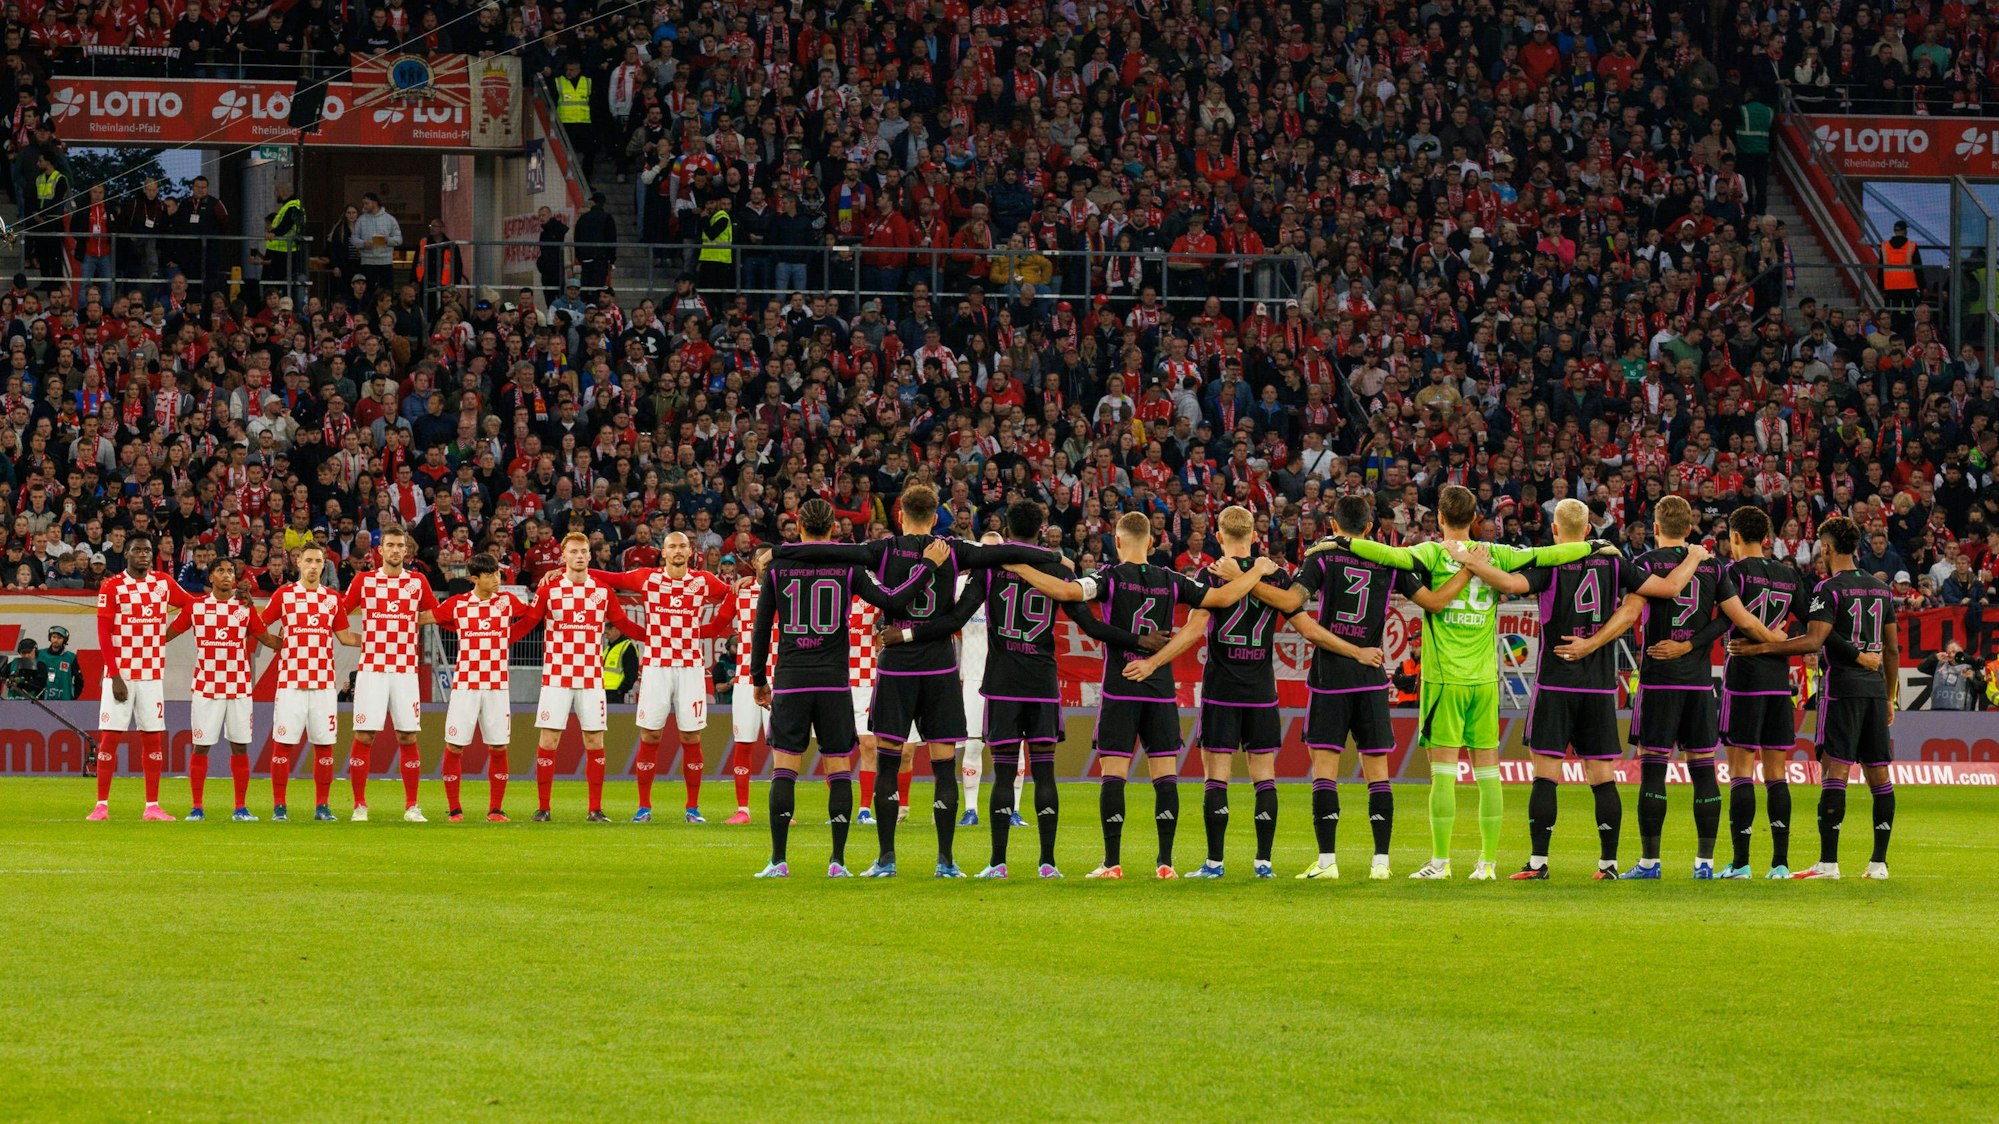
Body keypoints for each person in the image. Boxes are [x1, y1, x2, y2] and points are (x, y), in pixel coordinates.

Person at [772, 483, 1059, 876]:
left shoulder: (883, 549)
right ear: (935, 516)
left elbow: (828, 551)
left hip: (896, 667)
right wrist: (1053, 555)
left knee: (888, 764)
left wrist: (779, 552)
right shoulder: (954, 549)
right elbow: (1006, 552)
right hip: (940, 667)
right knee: (943, 766)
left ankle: (886, 859)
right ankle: (946, 861)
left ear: (900, 515)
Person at [881, 503, 1161, 878]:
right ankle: (1048, 863)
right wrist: (1139, 641)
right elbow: (1092, 627)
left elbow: (955, 618)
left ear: (1007, 530)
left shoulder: (991, 569)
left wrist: (907, 634)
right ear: (1042, 529)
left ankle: (998, 863)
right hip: (1042, 683)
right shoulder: (1058, 571)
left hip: (1003, 684)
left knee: (1003, 773)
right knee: (1044, 774)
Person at [1339, 485, 1600, 880]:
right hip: (1484, 681)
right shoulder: (1494, 553)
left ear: (1440, 518)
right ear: (1476, 519)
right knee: (1488, 773)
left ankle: (1441, 862)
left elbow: (1388, 555)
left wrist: (1340, 541)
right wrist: (1594, 546)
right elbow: (1549, 554)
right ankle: (1487, 863)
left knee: (1443, 773)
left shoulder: (1432, 552)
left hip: (1445, 679)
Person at [1004, 510, 1274, 880]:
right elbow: (1224, 597)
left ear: (1117, 541)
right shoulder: (1172, 579)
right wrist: (1256, 572)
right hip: (1160, 690)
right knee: (1165, 774)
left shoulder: (1109, 577)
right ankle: (1166, 863)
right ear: (1151, 542)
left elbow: (1066, 592)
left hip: (1121, 687)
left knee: (1114, 772)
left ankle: (1112, 862)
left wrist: (1019, 566)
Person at [1459, 499, 1705, 879]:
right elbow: (1671, 587)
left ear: (1555, 530)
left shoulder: (1550, 561)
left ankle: (1538, 863)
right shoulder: (1613, 561)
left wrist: (1471, 561)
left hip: (1555, 682)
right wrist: (1695, 556)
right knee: (1602, 777)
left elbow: (1508, 583)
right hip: (1599, 687)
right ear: (1588, 530)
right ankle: (1608, 865)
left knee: (1545, 774)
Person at [1233, 494, 1466, 881]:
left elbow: (1290, 601)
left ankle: (1327, 862)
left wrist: (1245, 581)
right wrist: (1470, 571)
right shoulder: (1387, 560)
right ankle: (1381, 863)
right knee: (1378, 772)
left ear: (1333, 525)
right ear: (1370, 528)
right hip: (1371, 677)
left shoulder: (1324, 556)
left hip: (1330, 679)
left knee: (1325, 769)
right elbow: (1436, 602)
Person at [1149, 505, 1383, 879]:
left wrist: (1154, 662)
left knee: (1217, 775)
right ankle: (1264, 863)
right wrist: (1357, 651)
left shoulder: (1211, 574)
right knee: (1264, 775)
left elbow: (1193, 631)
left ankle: (1215, 863)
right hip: (1261, 689)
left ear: (1219, 536)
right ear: (1255, 536)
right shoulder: (1276, 576)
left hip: (1221, 689)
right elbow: (1309, 629)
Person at [1574, 495, 1781, 879]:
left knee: (1653, 770)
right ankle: (1704, 864)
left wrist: (1591, 643)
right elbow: (1737, 620)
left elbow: (1630, 614)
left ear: (1655, 528)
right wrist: (1777, 641)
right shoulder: (1712, 566)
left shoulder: (1645, 564)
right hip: (1699, 685)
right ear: (1688, 528)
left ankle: (1650, 863)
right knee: (1703, 770)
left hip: (1658, 682)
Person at [748, 499, 945, 878]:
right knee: (838, 768)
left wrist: (759, 678)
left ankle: (778, 861)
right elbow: (893, 600)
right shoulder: (848, 567)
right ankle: (837, 861)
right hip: (834, 682)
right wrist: (927, 567)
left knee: (784, 768)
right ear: (833, 530)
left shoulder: (778, 568)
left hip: (792, 678)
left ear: (799, 527)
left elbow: (761, 626)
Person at [1727, 516, 1899, 880]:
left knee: (1835, 771)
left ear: (1828, 548)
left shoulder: (1828, 589)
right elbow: (1893, 650)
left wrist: (1761, 647)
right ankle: (1879, 863)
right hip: (1874, 689)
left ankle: (1828, 863)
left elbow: (1813, 640)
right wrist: (1889, 697)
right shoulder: (1882, 589)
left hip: (1842, 689)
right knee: (1879, 774)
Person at [589, 531, 733, 823]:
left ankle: (692, 808)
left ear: (690, 552)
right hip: (656, 667)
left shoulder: (703, 580)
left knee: (690, 735)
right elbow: (611, 578)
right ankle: (644, 807)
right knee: (650, 734)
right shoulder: (648, 578)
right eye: (672, 547)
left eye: (682, 546)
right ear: (663, 552)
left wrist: (712, 629)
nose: (678, 551)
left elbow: (732, 595)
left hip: (691, 668)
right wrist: (570, 571)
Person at [514, 532, 643, 822]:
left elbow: (623, 623)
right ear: (563, 556)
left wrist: (654, 637)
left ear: (590, 555)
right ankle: (543, 808)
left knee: (595, 741)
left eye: (584, 551)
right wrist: (498, 639)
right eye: (573, 552)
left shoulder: (602, 591)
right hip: (557, 677)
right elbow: (528, 622)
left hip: (591, 679)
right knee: (549, 740)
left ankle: (595, 809)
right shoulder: (549, 590)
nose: (580, 556)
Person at [1714, 506, 1814, 877]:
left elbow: (1726, 619)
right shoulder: (1789, 575)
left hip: (1744, 679)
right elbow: (1813, 624)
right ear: (1767, 538)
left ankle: (1741, 863)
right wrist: (1782, 641)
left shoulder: (1733, 573)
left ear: (1735, 537)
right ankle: (1780, 864)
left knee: (1740, 771)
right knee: (1776, 773)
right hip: (1778, 683)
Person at [334, 525, 440, 822]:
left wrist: (409, 621)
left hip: (405, 670)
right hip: (372, 670)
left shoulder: (417, 581)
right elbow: (339, 613)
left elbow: (436, 613)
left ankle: (412, 806)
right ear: (379, 550)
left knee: (407, 735)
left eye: (399, 546)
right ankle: (359, 806)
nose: (395, 550)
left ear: (407, 550)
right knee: (365, 735)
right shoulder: (364, 580)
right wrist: (353, 638)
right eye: (390, 545)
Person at [89, 532, 196, 822]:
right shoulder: (112, 585)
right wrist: (114, 675)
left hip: (151, 675)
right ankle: (101, 805)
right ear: (127, 554)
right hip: (121, 674)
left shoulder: (163, 583)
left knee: (152, 738)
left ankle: (152, 807)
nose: (143, 555)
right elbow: (103, 634)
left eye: (147, 551)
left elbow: (192, 605)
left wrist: (168, 635)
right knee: (110, 738)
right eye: (137, 550)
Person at [164, 558, 278, 822]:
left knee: (240, 746)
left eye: (230, 571)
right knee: (201, 746)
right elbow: (168, 634)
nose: (226, 575)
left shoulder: (245, 608)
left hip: (239, 688)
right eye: (220, 571)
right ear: (211, 578)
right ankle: (197, 808)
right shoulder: (196, 607)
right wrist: (138, 631)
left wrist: (299, 641)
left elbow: (266, 639)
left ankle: (240, 808)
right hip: (206, 688)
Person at [430, 554, 537, 822]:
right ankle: (455, 809)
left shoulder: (507, 601)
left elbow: (534, 615)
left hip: (497, 686)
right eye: (489, 575)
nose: (496, 579)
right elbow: (430, 617)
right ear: (474, 579)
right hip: (465, 685)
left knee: (499, 747)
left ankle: (495, 810)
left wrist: (509, 636)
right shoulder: (457, 604)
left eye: (498, 574)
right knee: (454, 746)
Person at [263, 543, 346, 821]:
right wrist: (278, 644)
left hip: (323, 684)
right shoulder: (284, 595)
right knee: (283, 744)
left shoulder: (332, 599)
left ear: (324, 565)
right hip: (291, 683)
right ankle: (279, 807)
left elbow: (345, 636)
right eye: (308, 560)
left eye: (318, 562)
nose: (313, 566)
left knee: (324, 745)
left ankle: (322, 806)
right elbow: (260, 626)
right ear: (298, 562)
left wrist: (376, 640)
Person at [725, 545, 776, 825]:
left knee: (782, 747)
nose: (766, 563)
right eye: (761, 558)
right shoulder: (741, 593)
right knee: (743, 743)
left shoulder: (790, 592)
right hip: (745, 680)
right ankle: (742, 809)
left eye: (771, 558)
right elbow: (717, 613)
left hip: (779, 678)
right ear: (754, 562)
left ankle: (781, 808)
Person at [260, 182, 304, 301]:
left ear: (283, 192)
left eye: (277, 191)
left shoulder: (293, 206)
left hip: (285, 254)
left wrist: (274, 233)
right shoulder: (289, 206)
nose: (275, 194)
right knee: (273, 287)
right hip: (281, 252)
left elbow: (286, 224)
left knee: (275, 288)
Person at [351, 193, 402, 295]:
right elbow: (354, 239)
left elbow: (399, 239)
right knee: (368, 292)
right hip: (367, 262)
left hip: (385, 262)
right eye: (363, 203)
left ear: (374, 203)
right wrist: (363, 243)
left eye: (366, 203)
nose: (364, 206)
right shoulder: (361, 220)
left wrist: (387, 240)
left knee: (387, 292)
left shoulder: (390, 219)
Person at [574, 192, 617, 290]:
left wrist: (580, 257)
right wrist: (611, 259)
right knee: (598, 289)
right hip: (601, 259)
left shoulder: (583, 218)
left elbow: (577, 239)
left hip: (586, 259)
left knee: (585, 288)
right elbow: (611, 239)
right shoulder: (607, 218)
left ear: (592, 202)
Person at [36, 626, 81, 701]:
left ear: (64, 640)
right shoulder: (40, 654)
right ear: (50, 638)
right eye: (54, 637)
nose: (56, 640)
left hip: (65, 699)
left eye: (59, 638)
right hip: (44, 700)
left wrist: (74, 695)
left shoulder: (70, 657)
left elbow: (79, 680)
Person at [536, 206, 569, 304]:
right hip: (547, 273)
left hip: (558, 272)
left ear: (550, 215)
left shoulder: (561, 229)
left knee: (561, 301)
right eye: (540, 216)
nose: (541, 218)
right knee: (550, 303)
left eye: (543, 215)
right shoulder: (543, 234)